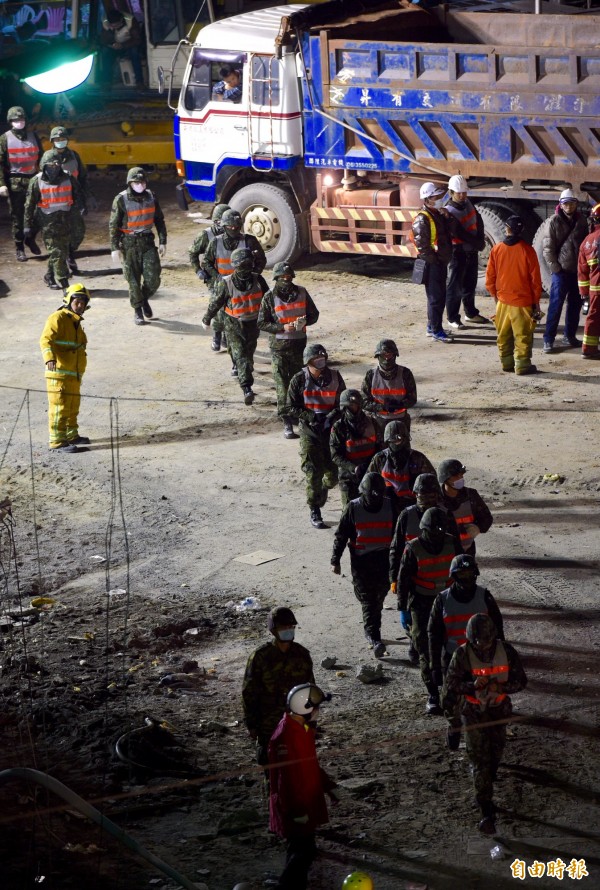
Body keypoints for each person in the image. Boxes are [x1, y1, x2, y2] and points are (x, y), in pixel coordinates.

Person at [442, 613, 527, 834]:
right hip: (474, 714)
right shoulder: (462, 655)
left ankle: (489, 779)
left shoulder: (506, 652)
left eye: (488, 641)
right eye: (479, 642)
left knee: (495, 754)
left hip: (498, 711)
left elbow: (520, 681)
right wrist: (471, 685)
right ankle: (486, 810)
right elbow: (450, 684)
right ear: (471, 639)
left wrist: (501, 688)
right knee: (480, 761)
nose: (484, 646)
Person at [428, 554, 504, 750]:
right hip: (455, 661)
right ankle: (454, 728)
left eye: (470, 573)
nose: (467, 578)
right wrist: (434, 665)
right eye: (462, 574)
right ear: (454, 576)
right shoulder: (442, 600)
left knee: (485, 703)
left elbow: (498, 630)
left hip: (482, 659)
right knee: (453, 705)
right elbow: (434, 635)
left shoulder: (485, 596)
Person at [268, 683, 337, 890]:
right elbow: (285, 780)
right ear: (304, 708)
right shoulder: (286, 737)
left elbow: (310, 763)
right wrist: (296, 811)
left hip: (303, 802)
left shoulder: (300, 729)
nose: (318, 711)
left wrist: (328, 786)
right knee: (301, 853)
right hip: (295, 807)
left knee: (302, 851)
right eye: (316, 707)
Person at [397, 507, 461, 712]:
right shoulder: (413, 548)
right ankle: (433, 692)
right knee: (425, 648)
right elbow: (403, 580)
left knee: (453, 646)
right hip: (422, 603)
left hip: (448, 601)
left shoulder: (452, 542)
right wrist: (403, 609)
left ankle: (454, 688)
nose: (436, 536)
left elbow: (463, 570)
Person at [331, 472, 398, 658]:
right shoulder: (353, 508)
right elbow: (341, 535)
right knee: (368, 599)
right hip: (362, 563)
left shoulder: (391, 506)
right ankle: (374, 636)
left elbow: (398, 536)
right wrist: (335, 560)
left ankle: (372, 625)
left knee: (379, 597)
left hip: (385, 560)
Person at [242, 607, 314, 769]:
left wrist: (311, 720)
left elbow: (310, 689)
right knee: (271, 765)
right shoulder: (260, 657)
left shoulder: (301, 654)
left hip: (296, 719)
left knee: (297, 765)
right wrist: (251, 724)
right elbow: (249, 691)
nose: (289, 631)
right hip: (268, 721)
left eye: (291, 627)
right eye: (284, 628)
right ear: (274, 630)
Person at [285, 344, 346, 529]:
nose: (320, 363)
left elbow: (342, 402)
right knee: (313, 472)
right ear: (308, 363)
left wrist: (330, 417)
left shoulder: (335, 376)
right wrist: (310, 416)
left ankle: (324, 489)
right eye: (315, 360)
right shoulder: (299, 379)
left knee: (334, 472)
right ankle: (315, 509)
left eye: (322, 359)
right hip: (310, 432)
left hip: (331, 430)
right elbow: (289, 407)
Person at [258, 262, 320, 439]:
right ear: (276, 279)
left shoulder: (301, 292)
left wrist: (304, 322)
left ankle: (297, 414)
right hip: (279, 349)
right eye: (282, 278)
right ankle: (286, 419)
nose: (286, 280)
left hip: (299, 347)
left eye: (288, 278)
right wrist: (282, 327)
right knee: (282, 385)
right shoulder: (269, 297)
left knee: (298, 383)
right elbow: (262, 323)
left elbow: (314, 314)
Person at [202, 208, 266, 375]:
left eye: (237, 226)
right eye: (230, 227)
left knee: (246, 331)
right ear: (224, 226)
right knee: (223, 322)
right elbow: (207, 263)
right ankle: (224, 345)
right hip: (224, 286)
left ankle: (242, 363)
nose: (234, 229)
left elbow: (261, 260)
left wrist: (253, 276)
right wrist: (218, 279)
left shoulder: (249, 241)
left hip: (244, 289)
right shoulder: (215, 242)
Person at [201, 248, 268, 405]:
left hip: (253, 323)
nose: (245, 269)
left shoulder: (259, 280)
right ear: (236, 266)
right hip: (233, 324)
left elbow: (269, 300)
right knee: (240, 355)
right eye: (242, 265)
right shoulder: (226, 283)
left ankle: (239, 367)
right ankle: (247, 388)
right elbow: (216, 302)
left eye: (248, 264)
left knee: (248, 354)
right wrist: (207, 319)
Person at [109, 166, 167, 326]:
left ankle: (143, 299)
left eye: (142, 182)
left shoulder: (151, 197)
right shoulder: (121, 199)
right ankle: (138, 310)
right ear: (129, 183)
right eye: (136, 182)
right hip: (129, 244)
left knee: (153, 278)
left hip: (147, 242)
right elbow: (113, 224)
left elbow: (159, 220)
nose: (139, 185)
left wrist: (163, 241)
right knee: (133, 280)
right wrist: (114, 247)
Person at [485, 215, 542, 375]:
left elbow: (490, 277)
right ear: (522, 230)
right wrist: (536, 302)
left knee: (503, 335)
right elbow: (535, 280)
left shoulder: (497, 249)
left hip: (502, 301)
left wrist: (495, 298)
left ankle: (506, 363)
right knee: (522, 335)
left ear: (506, 229)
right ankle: (522, 366)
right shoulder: (528, 250)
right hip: (523, 303)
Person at [39, 283, 91, 454]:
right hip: (59, 375)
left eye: (83, 302)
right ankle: (57, 441)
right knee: (60, 407)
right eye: (77, 302)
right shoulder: (58, 317)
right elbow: (46, 340)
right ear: (69, 301)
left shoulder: (76, 323)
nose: (80, 305)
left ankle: (71, 435)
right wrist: (49, 359)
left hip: (73, 375)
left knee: (72, 407)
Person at [24, 149, 84, 292]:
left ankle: (49, 275)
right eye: (50, 165)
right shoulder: (36, 181)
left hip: (66, 221)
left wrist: (80, 210)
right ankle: (64, 284)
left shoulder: (68, 178)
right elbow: (29, 204)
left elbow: (77, 196)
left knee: (61, 251)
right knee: (57, 252)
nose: (53, 168)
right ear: (43, 165)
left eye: (56, 165)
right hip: (47, 223)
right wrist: (27, 225)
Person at [542, 189, 587, 353]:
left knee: (575, 305)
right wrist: (556, 269)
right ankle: (548, 339)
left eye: (572, 203)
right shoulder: (553, 222)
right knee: (555, 305)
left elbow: (585, 245)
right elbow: (547, 249)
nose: (569, 206)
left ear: (576, 204)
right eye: (566, 203)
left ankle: (569, 335)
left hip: (577, 272)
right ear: (560, 205)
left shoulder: (581, 221)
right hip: (561, 272)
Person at [49, 125, 96, 274]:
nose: (60, 141)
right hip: (56, 202)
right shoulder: (48, 157)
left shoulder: (74, 155)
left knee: (78, 231)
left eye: (63, 139)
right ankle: (56, 269)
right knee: (59, 235)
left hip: (73, 199)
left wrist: (88, 197)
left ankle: (69, 252)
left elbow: (82, 177)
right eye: (57, 139)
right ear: (52, 140)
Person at [412, 181, 454, 343]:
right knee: (436, 298)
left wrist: (447, 217)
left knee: (436, 297)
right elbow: (422, 246)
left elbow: (446, 233)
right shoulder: (423, 219)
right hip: (432, 264)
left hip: (438, 262)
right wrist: (435, 261)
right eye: (437, 197)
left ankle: (432, 326)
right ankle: (436, 330)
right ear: (428, 199)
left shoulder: (437, 214)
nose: (441, 199)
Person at [444, 174, 488, 328]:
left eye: (464, 192)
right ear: (451, 193)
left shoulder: (468, 203)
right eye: (459, 193)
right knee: (455, 286)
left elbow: (478, 219)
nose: (462, 195)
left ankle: (470, 313)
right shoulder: (448, 212)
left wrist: (480, 240)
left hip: (471, 250)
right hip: (459, 253)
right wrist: (478, 243)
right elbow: (459, 233)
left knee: (470, 283)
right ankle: (452, 318)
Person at [0, 105, 41, 261]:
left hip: (33, 179)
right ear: (10, 121)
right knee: (18, 216)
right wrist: (1, 184)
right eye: (16, 120)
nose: (19, 122)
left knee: (40, 213)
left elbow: (42, 157)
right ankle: (19, 247)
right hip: (15, 181)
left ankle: (30, 238)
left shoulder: (33, 136)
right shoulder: (5, 138)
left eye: (22, 119)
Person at [189, 203, 230, 352]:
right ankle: (217, 335)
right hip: (214, 279)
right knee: (218, 309)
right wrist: (198, 270)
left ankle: (226, 335)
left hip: (231, 278)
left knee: (231, 309)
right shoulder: (206, 235)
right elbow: (193, 253)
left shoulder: (232, 233)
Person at [366, 420, 434, 510]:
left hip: (413, 505)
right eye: (394, 441)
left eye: (400, 440)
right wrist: (382, 491)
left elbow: (433, 484)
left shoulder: (418, 458)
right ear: (388, 441)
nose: (397, 443)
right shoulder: (380, 459)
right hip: (387, 505)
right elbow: (367, 485)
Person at [329, 390, 382, 507]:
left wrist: (370, 465)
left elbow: (381, 448)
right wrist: (354, 468)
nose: (353, 408)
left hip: (370, 475)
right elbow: (335, 455)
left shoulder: (372, 423)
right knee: (349, 514)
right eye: (350, 406)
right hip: (348, 478)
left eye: (355, 405)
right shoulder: (339, 427)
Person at [438, 459, 493, 555]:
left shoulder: (471, 495)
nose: (460, 478)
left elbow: (487, 518)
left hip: (467, 551)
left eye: (461, 474)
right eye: (455, 476)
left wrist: (478, 527)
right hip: (444, 552)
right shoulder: (436, 499)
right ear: (445, 479)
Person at [360, 339, 417, 430]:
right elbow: (363, 401)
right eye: (384, 355)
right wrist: (381, 407)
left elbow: (412, 399)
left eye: (389, 355)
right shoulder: (371, 375)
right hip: (377, 421)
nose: (387, 358)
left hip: (401, 420)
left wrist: (400, 404)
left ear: (394, 355)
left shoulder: (405, 373)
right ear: (378, 356)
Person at [577, 202, 600, 360]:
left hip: (595, 288)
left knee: (593, 317)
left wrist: (584, 293)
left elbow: (582, 271)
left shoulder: (587, 241)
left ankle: (588, 349)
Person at [99, 8, 144, 87]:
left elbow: (137, 40)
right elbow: (103, 38)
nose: (115, 27)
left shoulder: (131, 21)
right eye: (113, 25)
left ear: (121, 20)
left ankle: (139, 82)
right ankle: (106, 81)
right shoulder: (105, 22)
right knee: (105, 52)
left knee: (135, 52)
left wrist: (123, 45)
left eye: (117, 25)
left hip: (129, 45)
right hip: (114, 46)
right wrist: (112, 44)